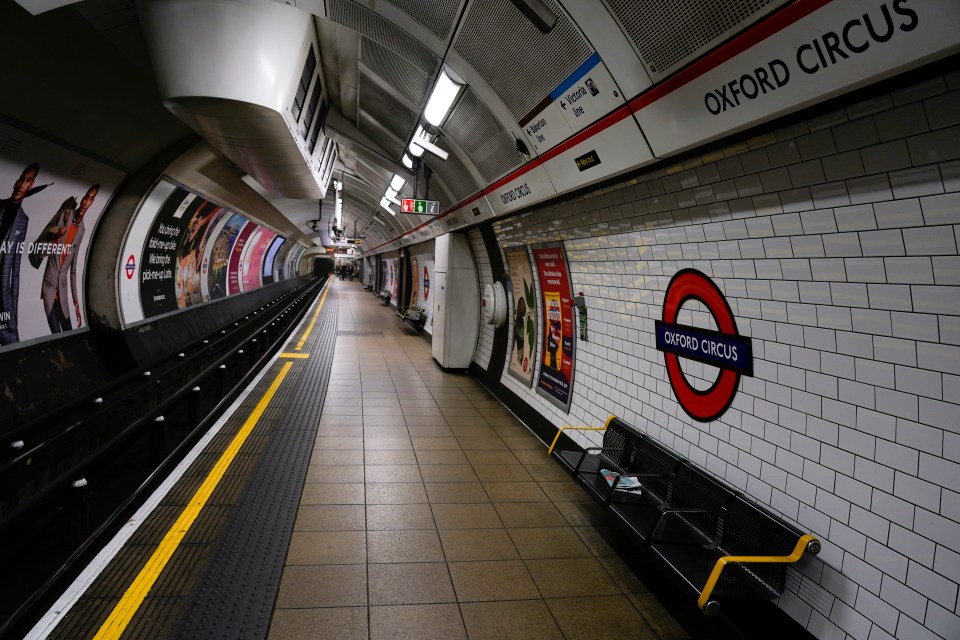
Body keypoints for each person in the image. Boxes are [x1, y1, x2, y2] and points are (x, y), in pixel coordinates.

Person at [30, 183, 99, 333]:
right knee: (55, 335)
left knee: (69, 334)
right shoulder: (65, 215)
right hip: (49, 288)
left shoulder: (82, 231)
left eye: (91, 199)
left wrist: (76, 302)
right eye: (86, 197)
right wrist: (57, 237)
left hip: (63, 294)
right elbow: (40, 252)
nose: (86, 201)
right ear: (83, 198)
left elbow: (73, 271)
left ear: (92, 203)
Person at [0, 163, 45, 345]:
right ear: (16, 182)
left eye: (28, 181)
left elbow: (15, 272)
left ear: (30, 185)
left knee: (14, 350)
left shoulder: (23, 220)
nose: (21, 185)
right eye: (21, 179)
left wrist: (14, 316)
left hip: (3, 304)